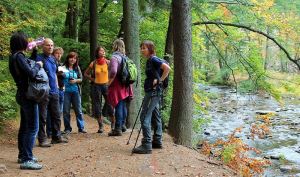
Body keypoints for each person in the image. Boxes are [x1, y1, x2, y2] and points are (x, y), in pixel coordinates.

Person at [9, 31, 43, 169]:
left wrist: (34, 51)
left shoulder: (14, 56)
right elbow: (31, 73)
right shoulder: (19, 57)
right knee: (33, 128)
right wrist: (39, 65)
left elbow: (28, 65)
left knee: (24, 127)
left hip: (22, 94)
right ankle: (27, 159)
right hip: (27, 95)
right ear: (22, 43)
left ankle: (23, 155)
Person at [132, 40, 170, 154]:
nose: (142, 50)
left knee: (144, 116)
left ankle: (146, 144)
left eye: (144, 48)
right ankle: (157, 141)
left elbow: (167, 68)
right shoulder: (151, 60)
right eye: (141, 48)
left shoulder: (153, 59)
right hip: (153, 92)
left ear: (150, 49)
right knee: (155, 114)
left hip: (153, 92)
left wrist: (159, 80)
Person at [36, 38, 68, 144]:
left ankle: (56, 136)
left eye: (51, 45)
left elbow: (55, 74)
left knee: (56, 115)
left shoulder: (53, 59)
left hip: (55, 91)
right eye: (47, 45)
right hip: (43, 92)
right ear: (42, 46)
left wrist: (58, 87)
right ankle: (42, 138)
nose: (50, 47)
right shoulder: (38, 57)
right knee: (43, 117)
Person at [84, 46, 114, 133]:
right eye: (101, 51)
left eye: (104, 51)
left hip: (106, 86)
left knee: (110, 104)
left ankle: (113, 124)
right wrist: (93, 79)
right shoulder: (93, 63)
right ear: (97, 53)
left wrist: (110, 82)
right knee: (97, 105)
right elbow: (85, 74)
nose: (103, 52)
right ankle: (101, 126)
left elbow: (113, 73)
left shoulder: (108, 62)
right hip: (96, 86)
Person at [107, 39, 133, 136]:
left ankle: (117, 129)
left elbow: (113, 71)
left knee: (118, 105)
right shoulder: (125, 57)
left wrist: (109, 82)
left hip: (117, 85)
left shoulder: (115, 57)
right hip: (126, 85)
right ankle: (122, 125)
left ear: (115, 46)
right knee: (123, 105)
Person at [61, 51, 87, 134]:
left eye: (75, 58)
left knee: (78, 110)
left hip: (75, 91)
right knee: (66, 111)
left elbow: (81, 79)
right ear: (68, 58)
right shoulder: (63, 67)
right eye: (71, 58)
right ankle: (67, 128)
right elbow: (59, 77)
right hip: (65, 92)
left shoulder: (77, 67)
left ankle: (81, 128)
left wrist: (75, 80)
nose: (73, 60)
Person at [45, 47, 65, 139]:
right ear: (53, 54)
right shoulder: (50, 61)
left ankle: (55, 132)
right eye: (57, 53)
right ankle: (50, 132)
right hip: (51, 90)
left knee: (57, 113)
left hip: (59, 90)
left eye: (60, 54)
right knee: (51, 113)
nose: (59, 55)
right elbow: (50, 74)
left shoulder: (59, 64)